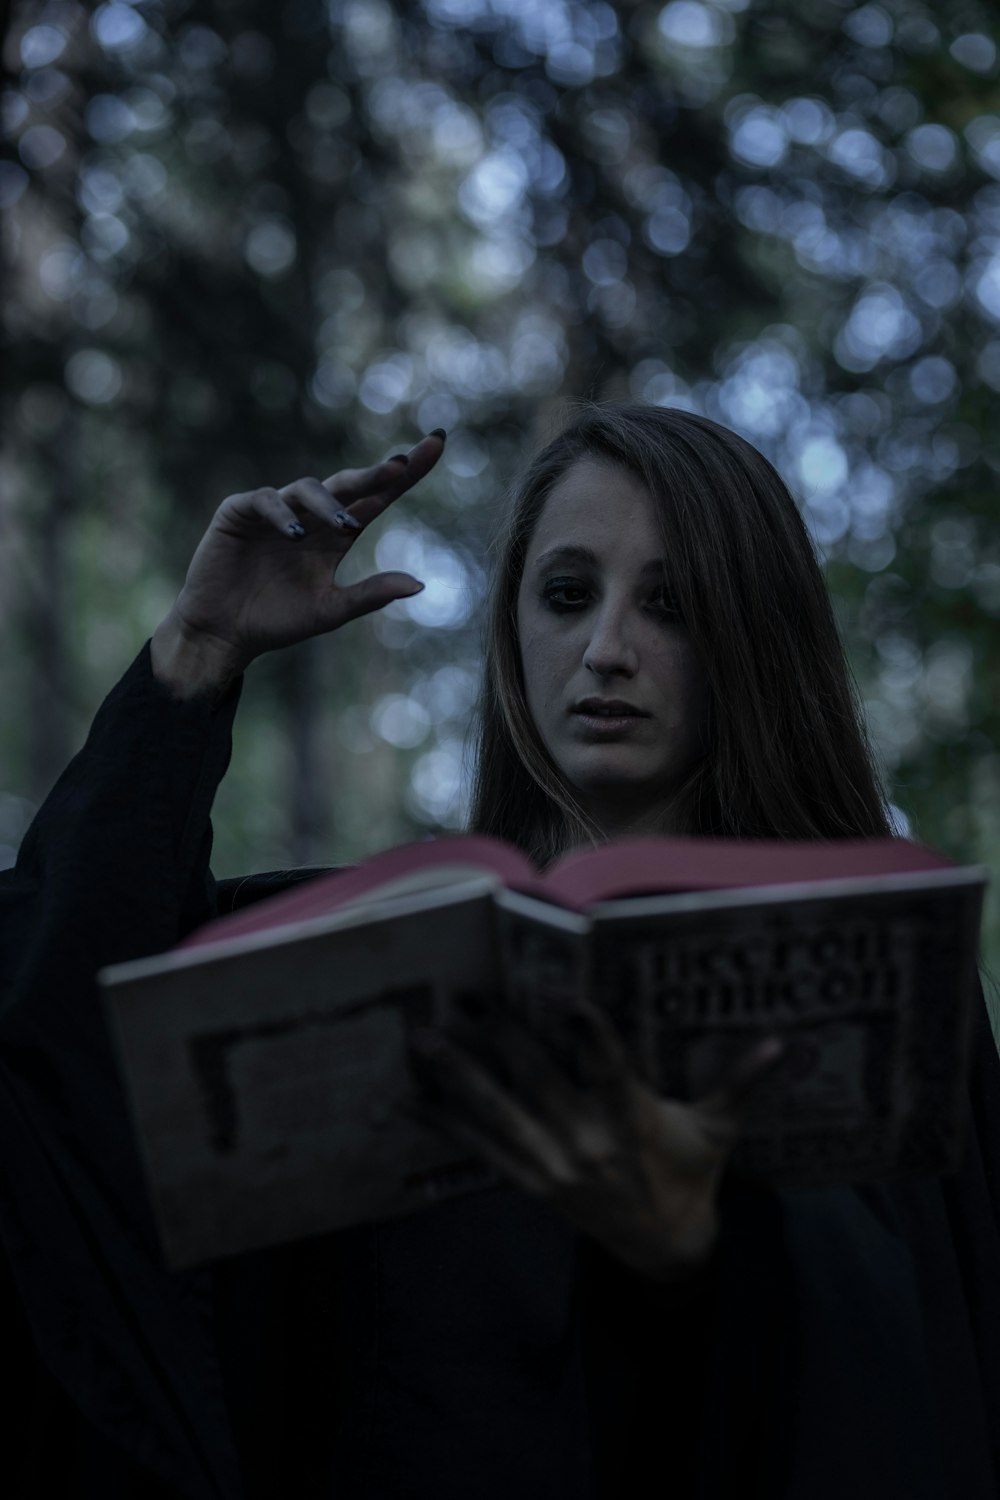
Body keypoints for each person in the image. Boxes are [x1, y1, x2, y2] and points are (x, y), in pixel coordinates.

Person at [1, 402, 998, 1499]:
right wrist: (196, 652)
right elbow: (63, 1048)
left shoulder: (872, 979)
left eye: (669, 605)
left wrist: (710, 1242)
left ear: (751, 635)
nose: (607, 650)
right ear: (513, 628)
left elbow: (943, 1370)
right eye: (567, 596)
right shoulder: (364, 954)